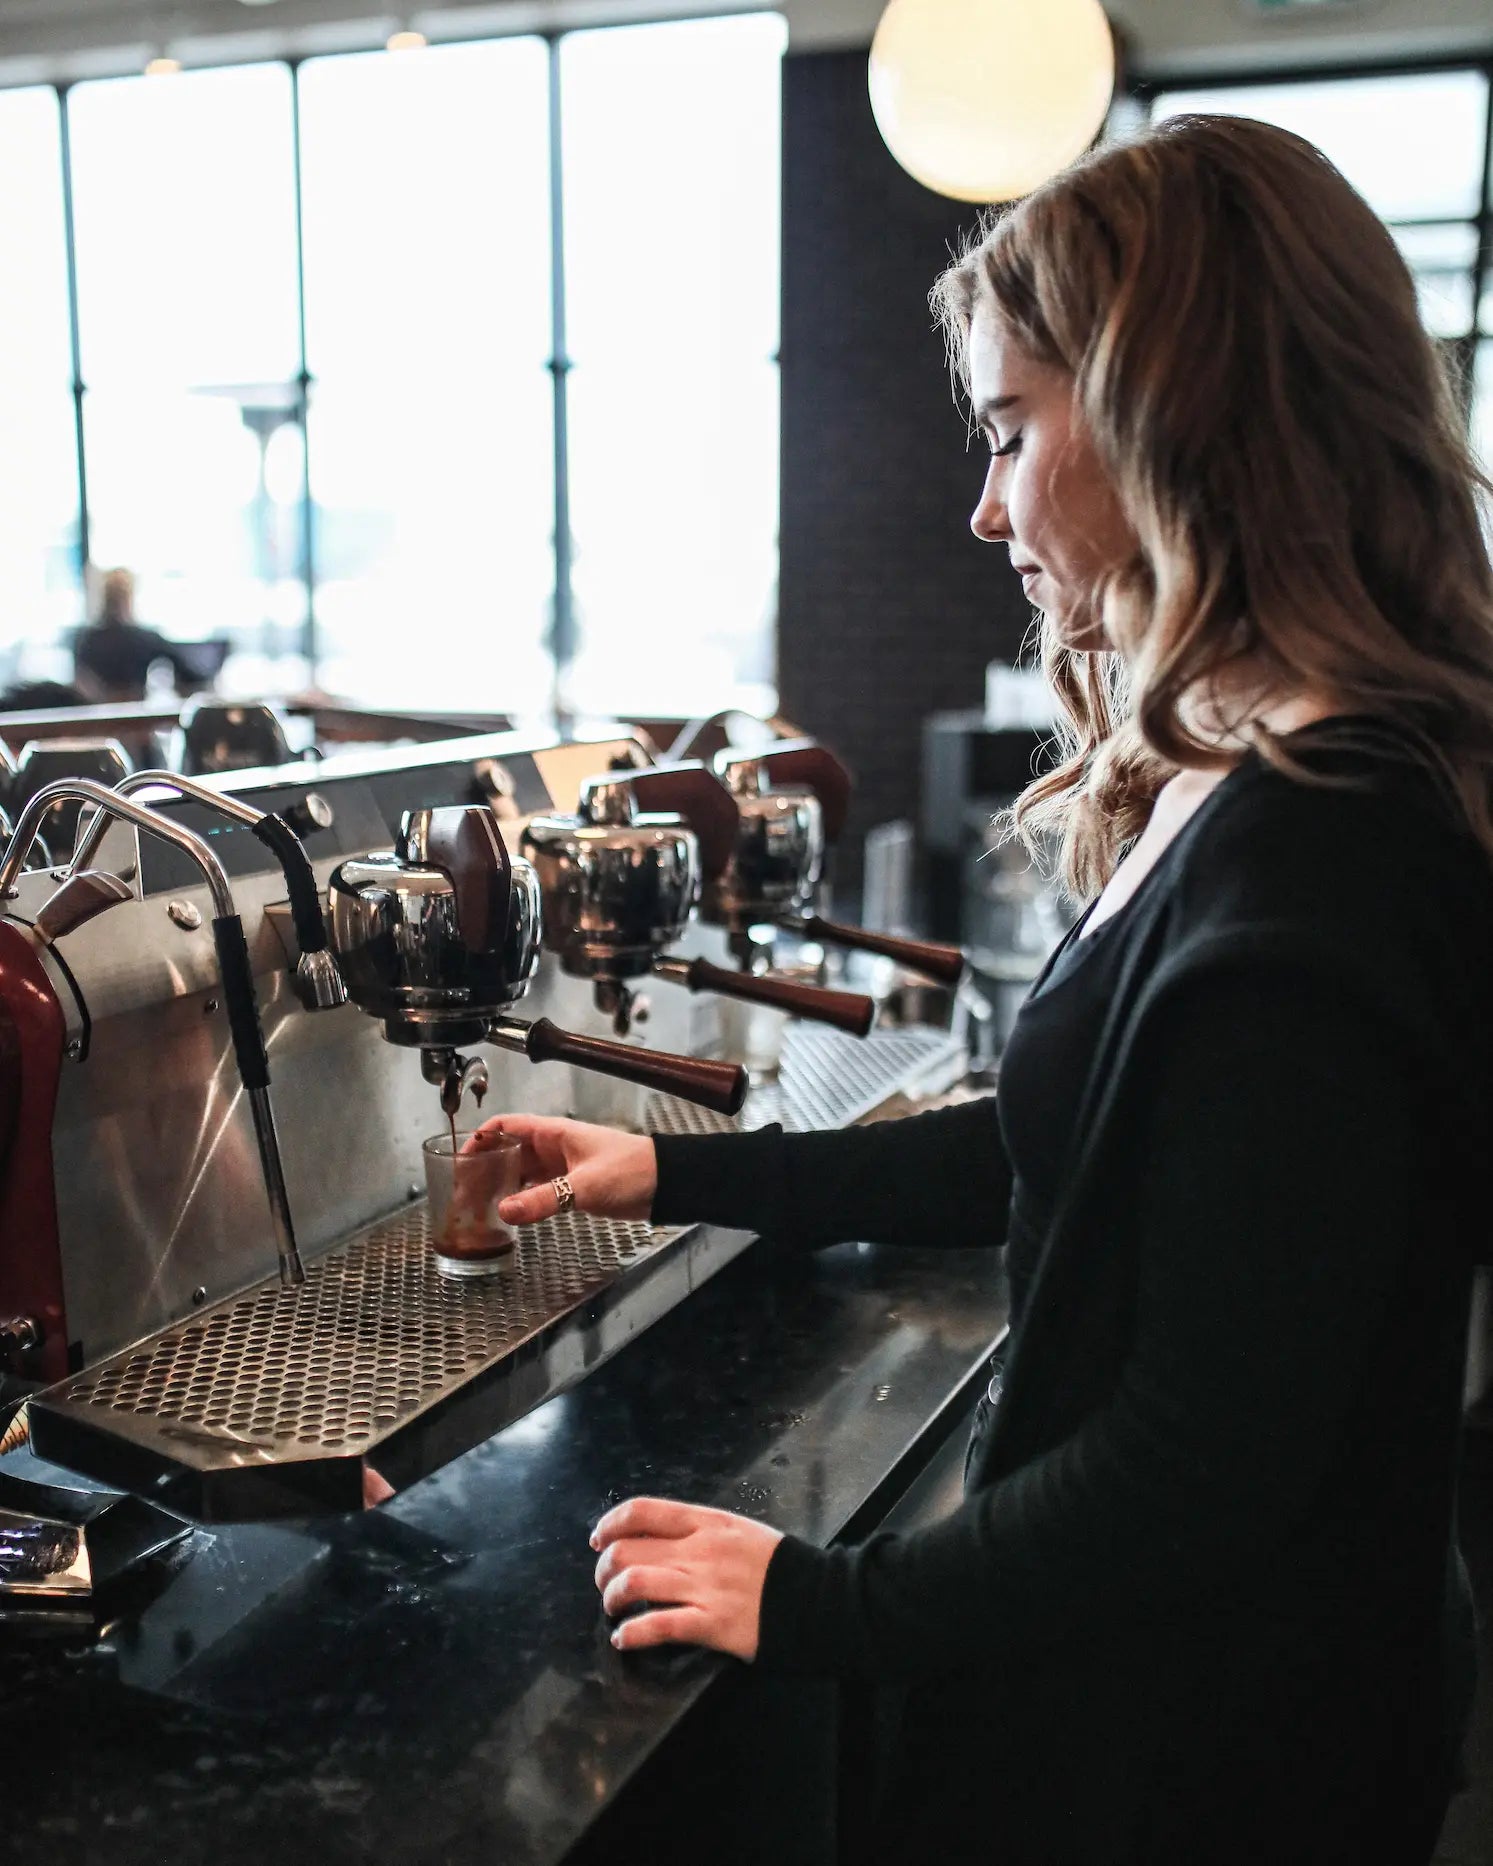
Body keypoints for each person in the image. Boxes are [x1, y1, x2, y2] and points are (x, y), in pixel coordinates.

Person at [477, 115, 1493, 1864]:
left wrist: (821, 1603)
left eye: (1011, 429)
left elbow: (1196, 1468)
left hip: (1216, 1744)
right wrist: (672, 1172)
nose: (983, 502)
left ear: (1165, 417)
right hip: (1155, 1681)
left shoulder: (1331, 863)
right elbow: (1056, 1153)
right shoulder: (1240, 774)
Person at [72, 567, 178, 704]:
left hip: (98, 717)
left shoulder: (86, 639)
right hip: (137, 717)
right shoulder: (145, 639)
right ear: (129, 598)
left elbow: (80, 685)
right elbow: (191, 675)